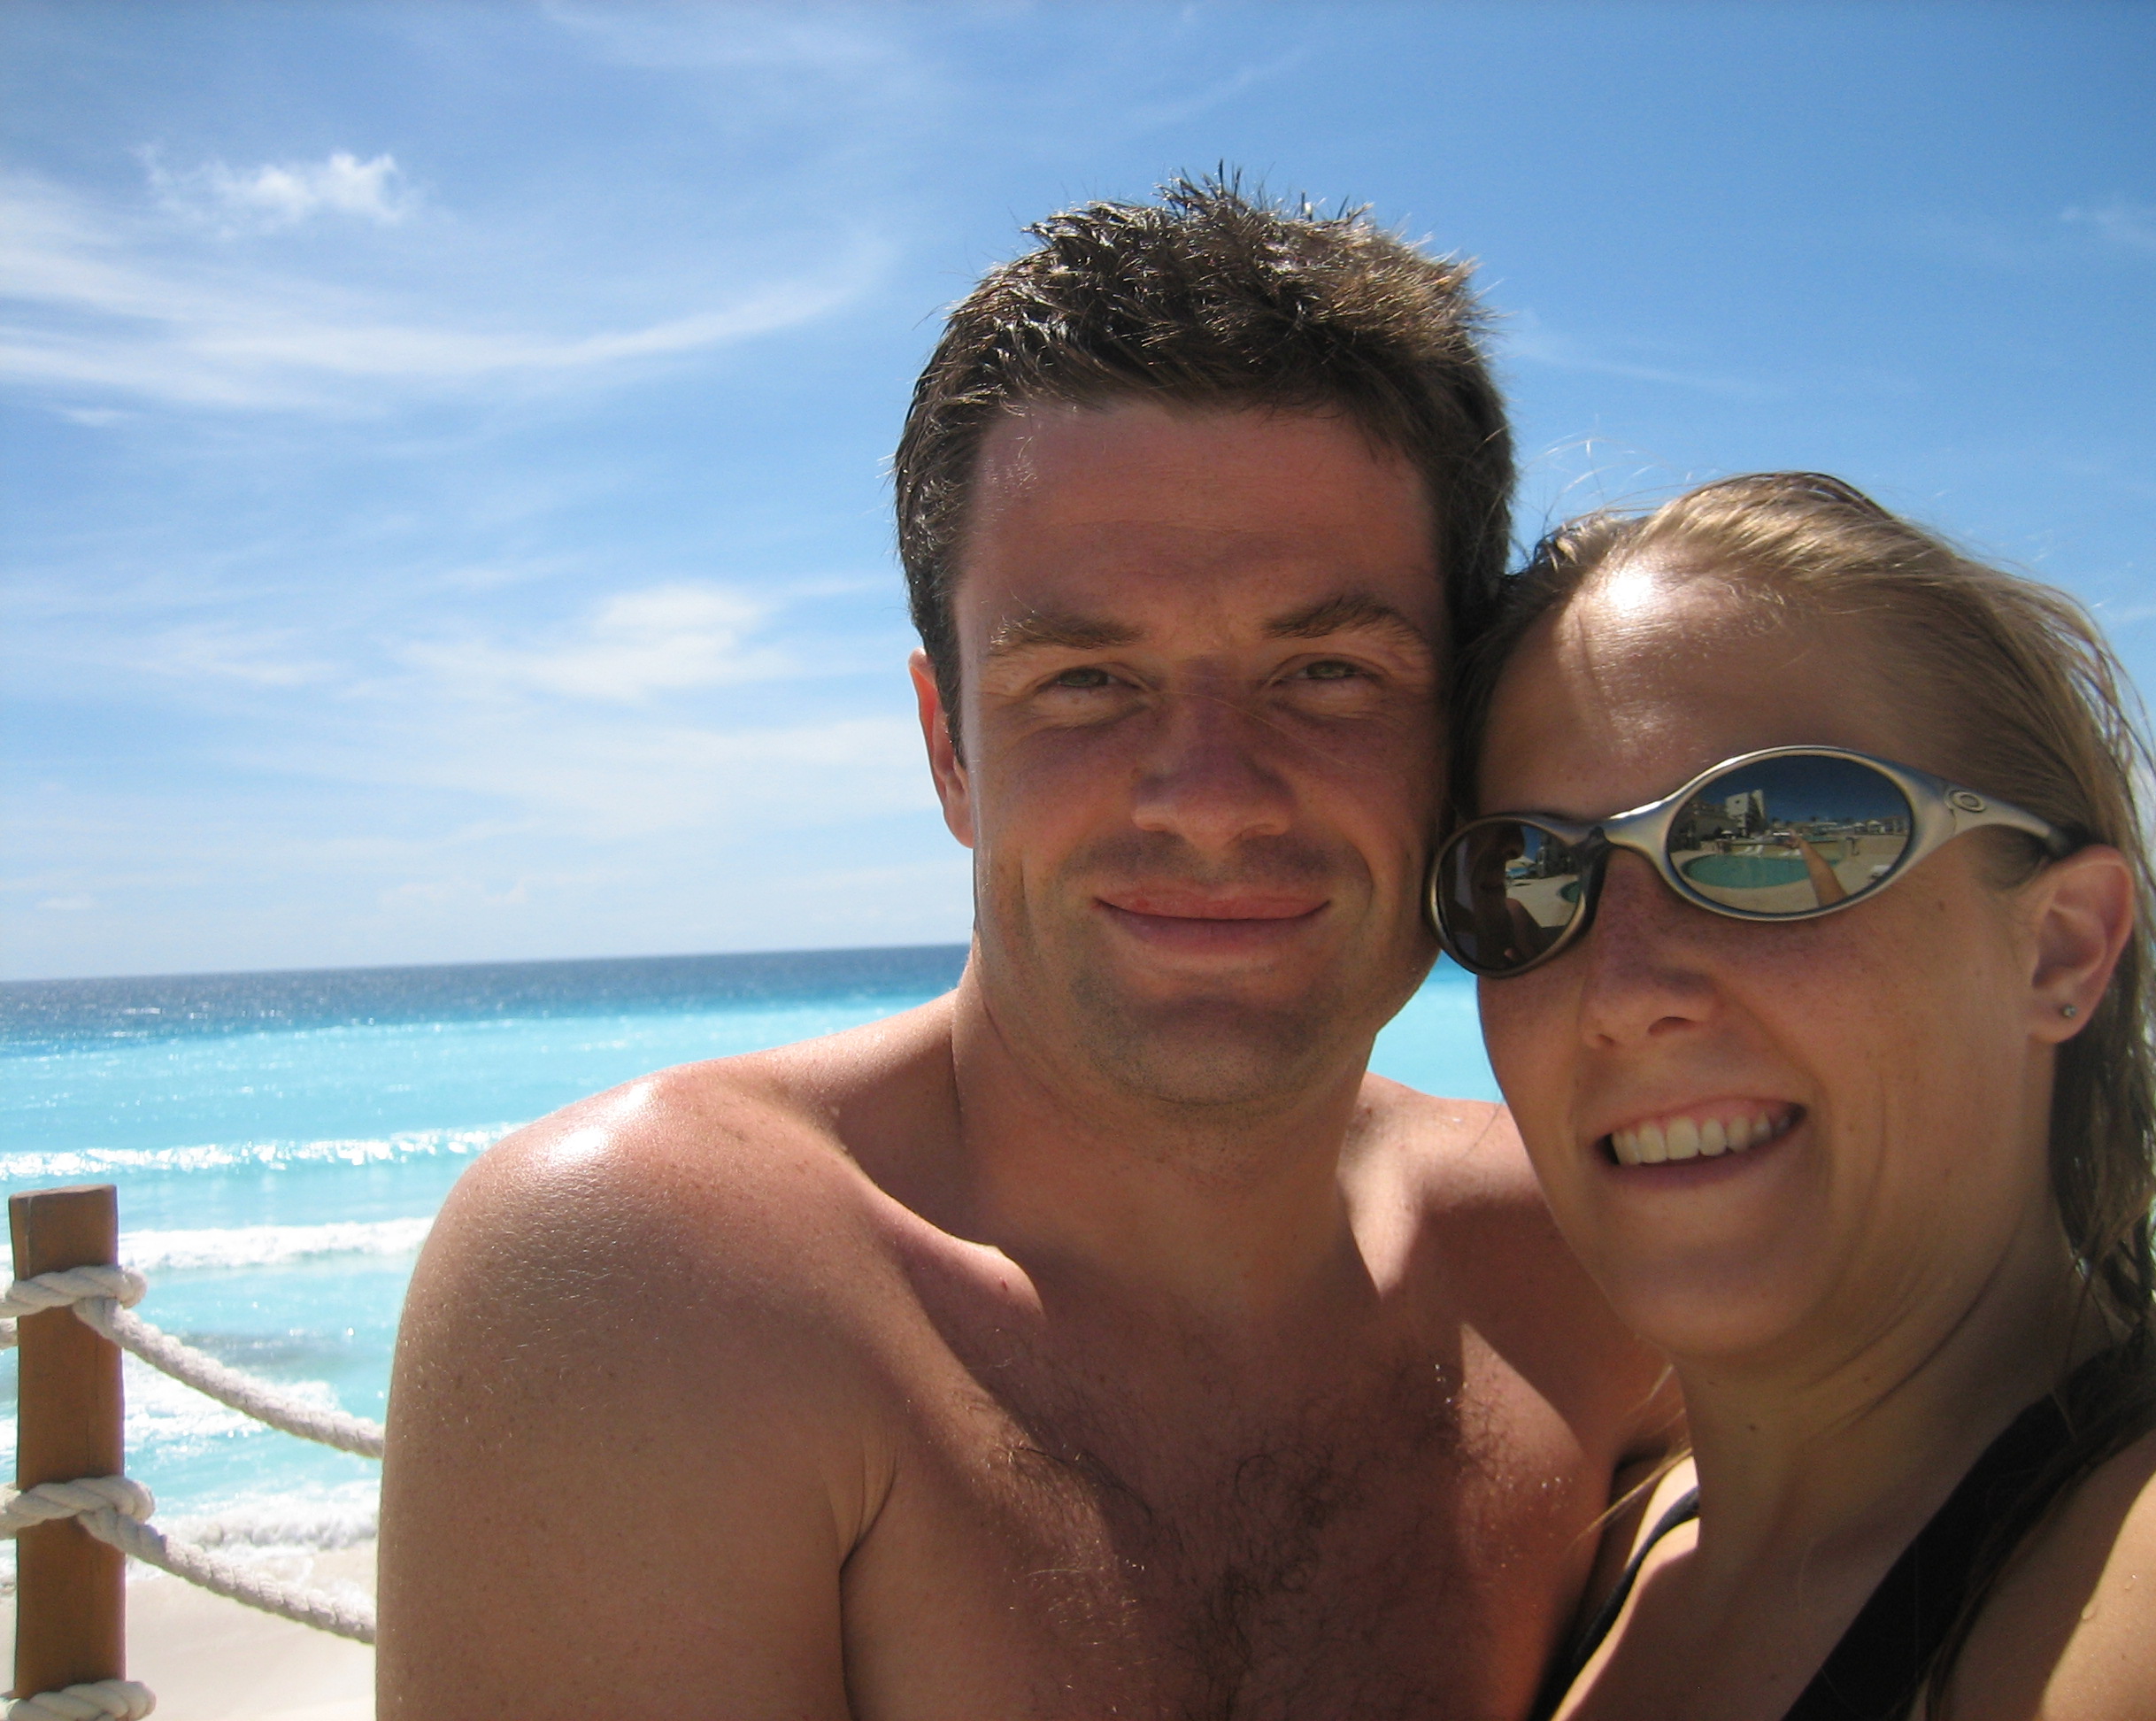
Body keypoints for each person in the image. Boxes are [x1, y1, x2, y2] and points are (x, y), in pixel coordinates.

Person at [378, 180, 1675, 1718]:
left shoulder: (1603, 1253)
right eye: (1086, 682)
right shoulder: (664, 1293)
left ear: (1461, 728)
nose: (1211, 797)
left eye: (1328, 671)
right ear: (950, 751)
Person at [1429, 472, 2156, 1720]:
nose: (1620, 991)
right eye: (1526, 877)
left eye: (1770, 836)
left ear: (2060, 949)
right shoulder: (1604, 1565)